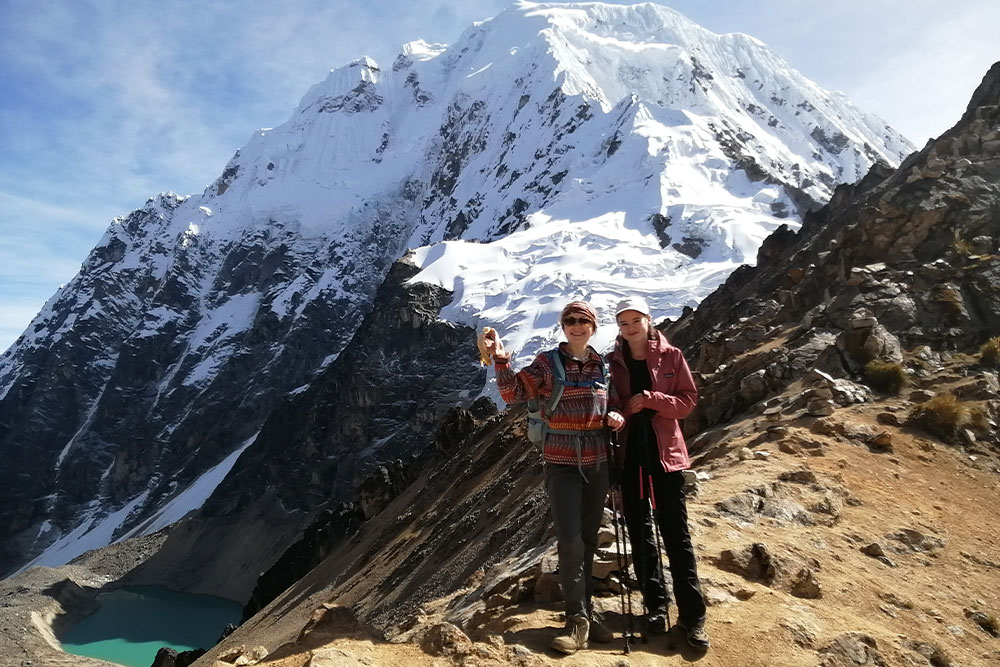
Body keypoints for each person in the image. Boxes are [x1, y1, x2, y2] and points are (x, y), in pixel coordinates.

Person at [483, 301, 625, 655]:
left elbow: (615, 403)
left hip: (598, 460)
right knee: (570, 538)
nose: (576, 326)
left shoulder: (602, 366)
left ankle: (587, 614)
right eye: (570, 321)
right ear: (563, 326)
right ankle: (576, 620)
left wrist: (617, 415)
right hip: (561, 462)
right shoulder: (548, 363)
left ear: (593, 326)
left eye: (583, 321)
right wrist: (500, 359)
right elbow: (512, 392)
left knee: (588, 539)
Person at [606, 296, 710, 650]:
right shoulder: (612, 364)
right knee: (639, 532)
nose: (630, 327)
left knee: (676, 536)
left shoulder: (672, 356)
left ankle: (693, 616)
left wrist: (651, 399)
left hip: (666, 457)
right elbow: (608, 404)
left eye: (635, 320)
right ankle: (656, 605)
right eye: (624, 323)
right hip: (630, 454)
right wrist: (620, 411)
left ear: (648, 320)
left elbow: (687, 402)